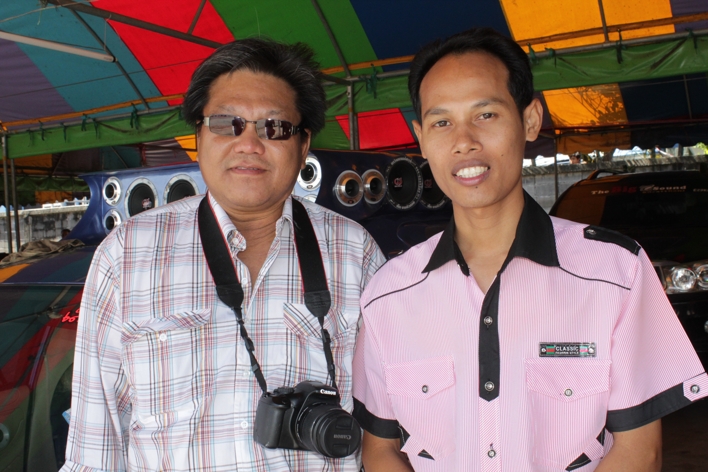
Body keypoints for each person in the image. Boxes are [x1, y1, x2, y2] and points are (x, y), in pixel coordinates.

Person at [352, 27, 708, 472]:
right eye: (442, 122)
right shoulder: (388, 295)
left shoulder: (616, 273)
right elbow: (381, 448)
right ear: (421, 137)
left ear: (531, 119)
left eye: (485, 114)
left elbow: (639, 450)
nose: (464, 141)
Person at [62, 38, 384, 472]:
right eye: (226, 123)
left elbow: (389, 429)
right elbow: (94, 450)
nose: (249, 143)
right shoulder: (127, 254)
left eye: (275, 127)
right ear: (198, 136)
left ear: (304, 143)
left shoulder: (355, 252)